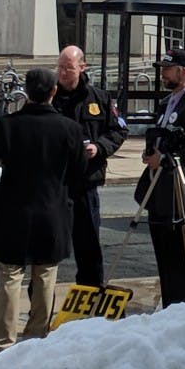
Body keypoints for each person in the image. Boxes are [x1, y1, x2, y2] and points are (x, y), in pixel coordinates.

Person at [0, 68, 86, 361]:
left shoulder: (8, 125)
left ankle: (1, 342)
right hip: (52, 210)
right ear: (53, 92)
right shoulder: (69, 128)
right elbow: (79, 172)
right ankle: (36, 337)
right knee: (45, 275)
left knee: (10, 277)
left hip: (13, 210)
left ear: (27, 91)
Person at [134, 48, 185, 307]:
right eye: (163, 69)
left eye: (168, 69)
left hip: (182, 194)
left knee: (181, 263)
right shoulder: (166, 102)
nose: (163, 74)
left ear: (184, 72)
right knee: (165, 261)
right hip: (160, 192)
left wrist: (165, 159)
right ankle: (169, 307)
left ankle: (182, 309)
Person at [52, 45, 128, 287]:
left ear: (82, 67)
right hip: (56, 184)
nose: (63, 72)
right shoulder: (49, 97)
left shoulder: (99, 98)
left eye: (69, 67)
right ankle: (41, 305)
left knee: (89, 246)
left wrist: (99, 147)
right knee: (48, 249)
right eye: (60, 67)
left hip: (86, 182)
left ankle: (92, 293)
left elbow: (118, 130)